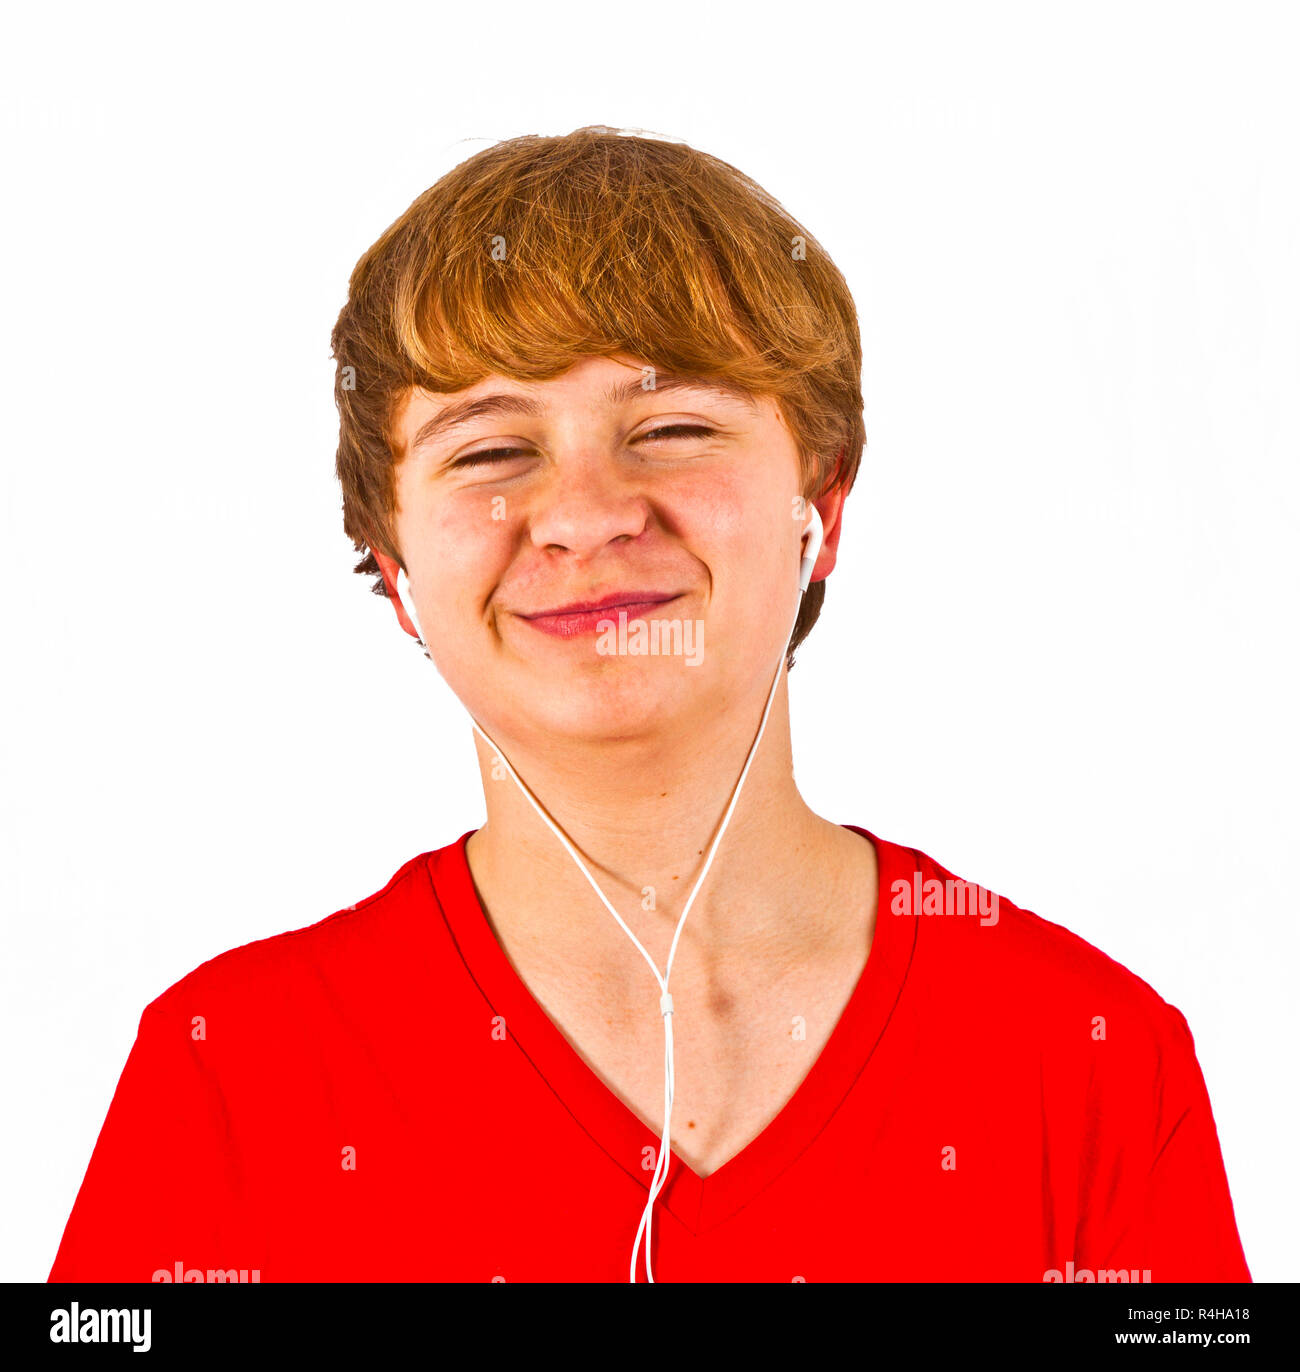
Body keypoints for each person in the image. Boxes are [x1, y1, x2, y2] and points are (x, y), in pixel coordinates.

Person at [48, 126, 1249, 1283]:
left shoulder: (1092, 1060)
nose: (585, 513)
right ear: (396, 564)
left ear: (820, 513)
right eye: (487, 450)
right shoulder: (224, 1074)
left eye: (672, 429)